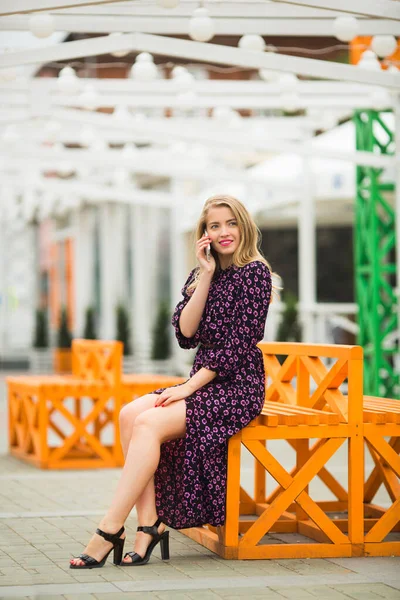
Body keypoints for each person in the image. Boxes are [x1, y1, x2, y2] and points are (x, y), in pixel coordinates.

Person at [69, 194, 275, 569]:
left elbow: (238, 345)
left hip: (237, 385)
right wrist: (207, 275)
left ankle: (109, 528)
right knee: (130, 414)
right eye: (214, 225)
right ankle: (148, 525)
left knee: (149, 422)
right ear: (204, 234)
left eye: (230, 223)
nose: (224, 232)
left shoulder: (255, 274)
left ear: (244, 226)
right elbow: (186, 333)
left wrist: (189, 387)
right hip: (204, 379)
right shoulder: (204, 273)